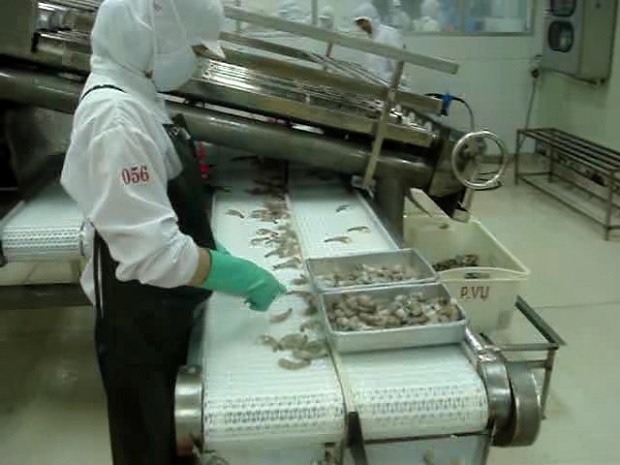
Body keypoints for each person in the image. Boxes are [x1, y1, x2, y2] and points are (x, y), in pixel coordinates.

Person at [60, 0, 286, 464]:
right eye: (190, 45)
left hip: (164, 306)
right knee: (153, 445)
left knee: (180, 444)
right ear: (153, 37)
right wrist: (239, 274)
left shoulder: (138, 93)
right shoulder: (115, 118)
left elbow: (158, 211)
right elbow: (153, 255)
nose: (194, 58)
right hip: (142, 322)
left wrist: (209, 248)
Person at [353, 3, 408, 85]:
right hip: (377, 88)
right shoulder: (369, 39)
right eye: (358, 23)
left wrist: (396, 84)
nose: (361, 26)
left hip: (391, 87)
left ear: (371, 18)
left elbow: (397, 65)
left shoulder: (389, 34)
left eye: (363, 22)